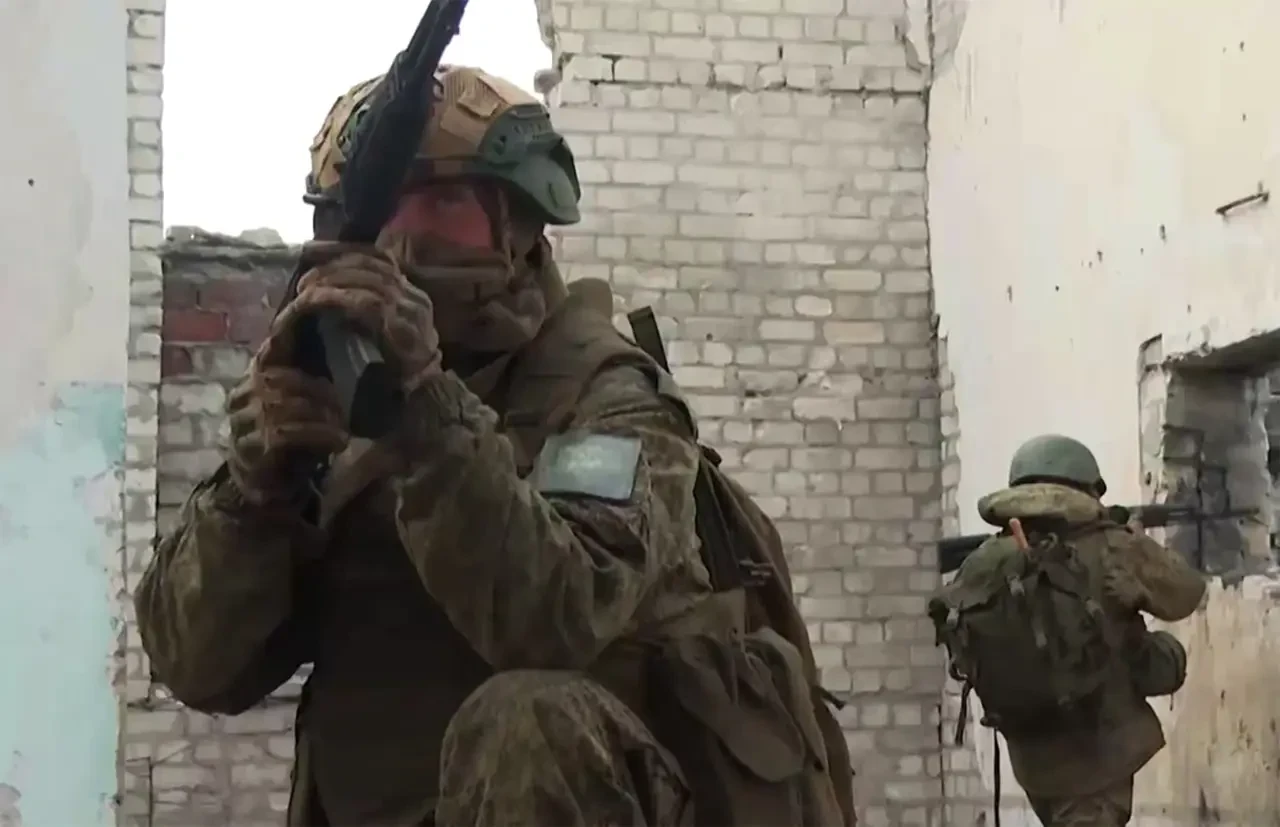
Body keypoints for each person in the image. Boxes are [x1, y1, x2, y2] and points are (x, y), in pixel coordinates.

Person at [136, 65, 854, 827]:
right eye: (370, 210)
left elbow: (554, 618)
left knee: (529, 718)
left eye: (441, 202)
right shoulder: (337, 389)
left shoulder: (609, 394)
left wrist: (425, 413)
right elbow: (198, 669)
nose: (398, 240)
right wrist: (254, 495)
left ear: (521, 223)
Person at [930, 434, 1206, 827]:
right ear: (1087, 486)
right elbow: (1186, 593)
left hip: (1032, 757)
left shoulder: (982, 560)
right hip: (1099, 754)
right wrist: (1137, 543)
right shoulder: (1112, 545)